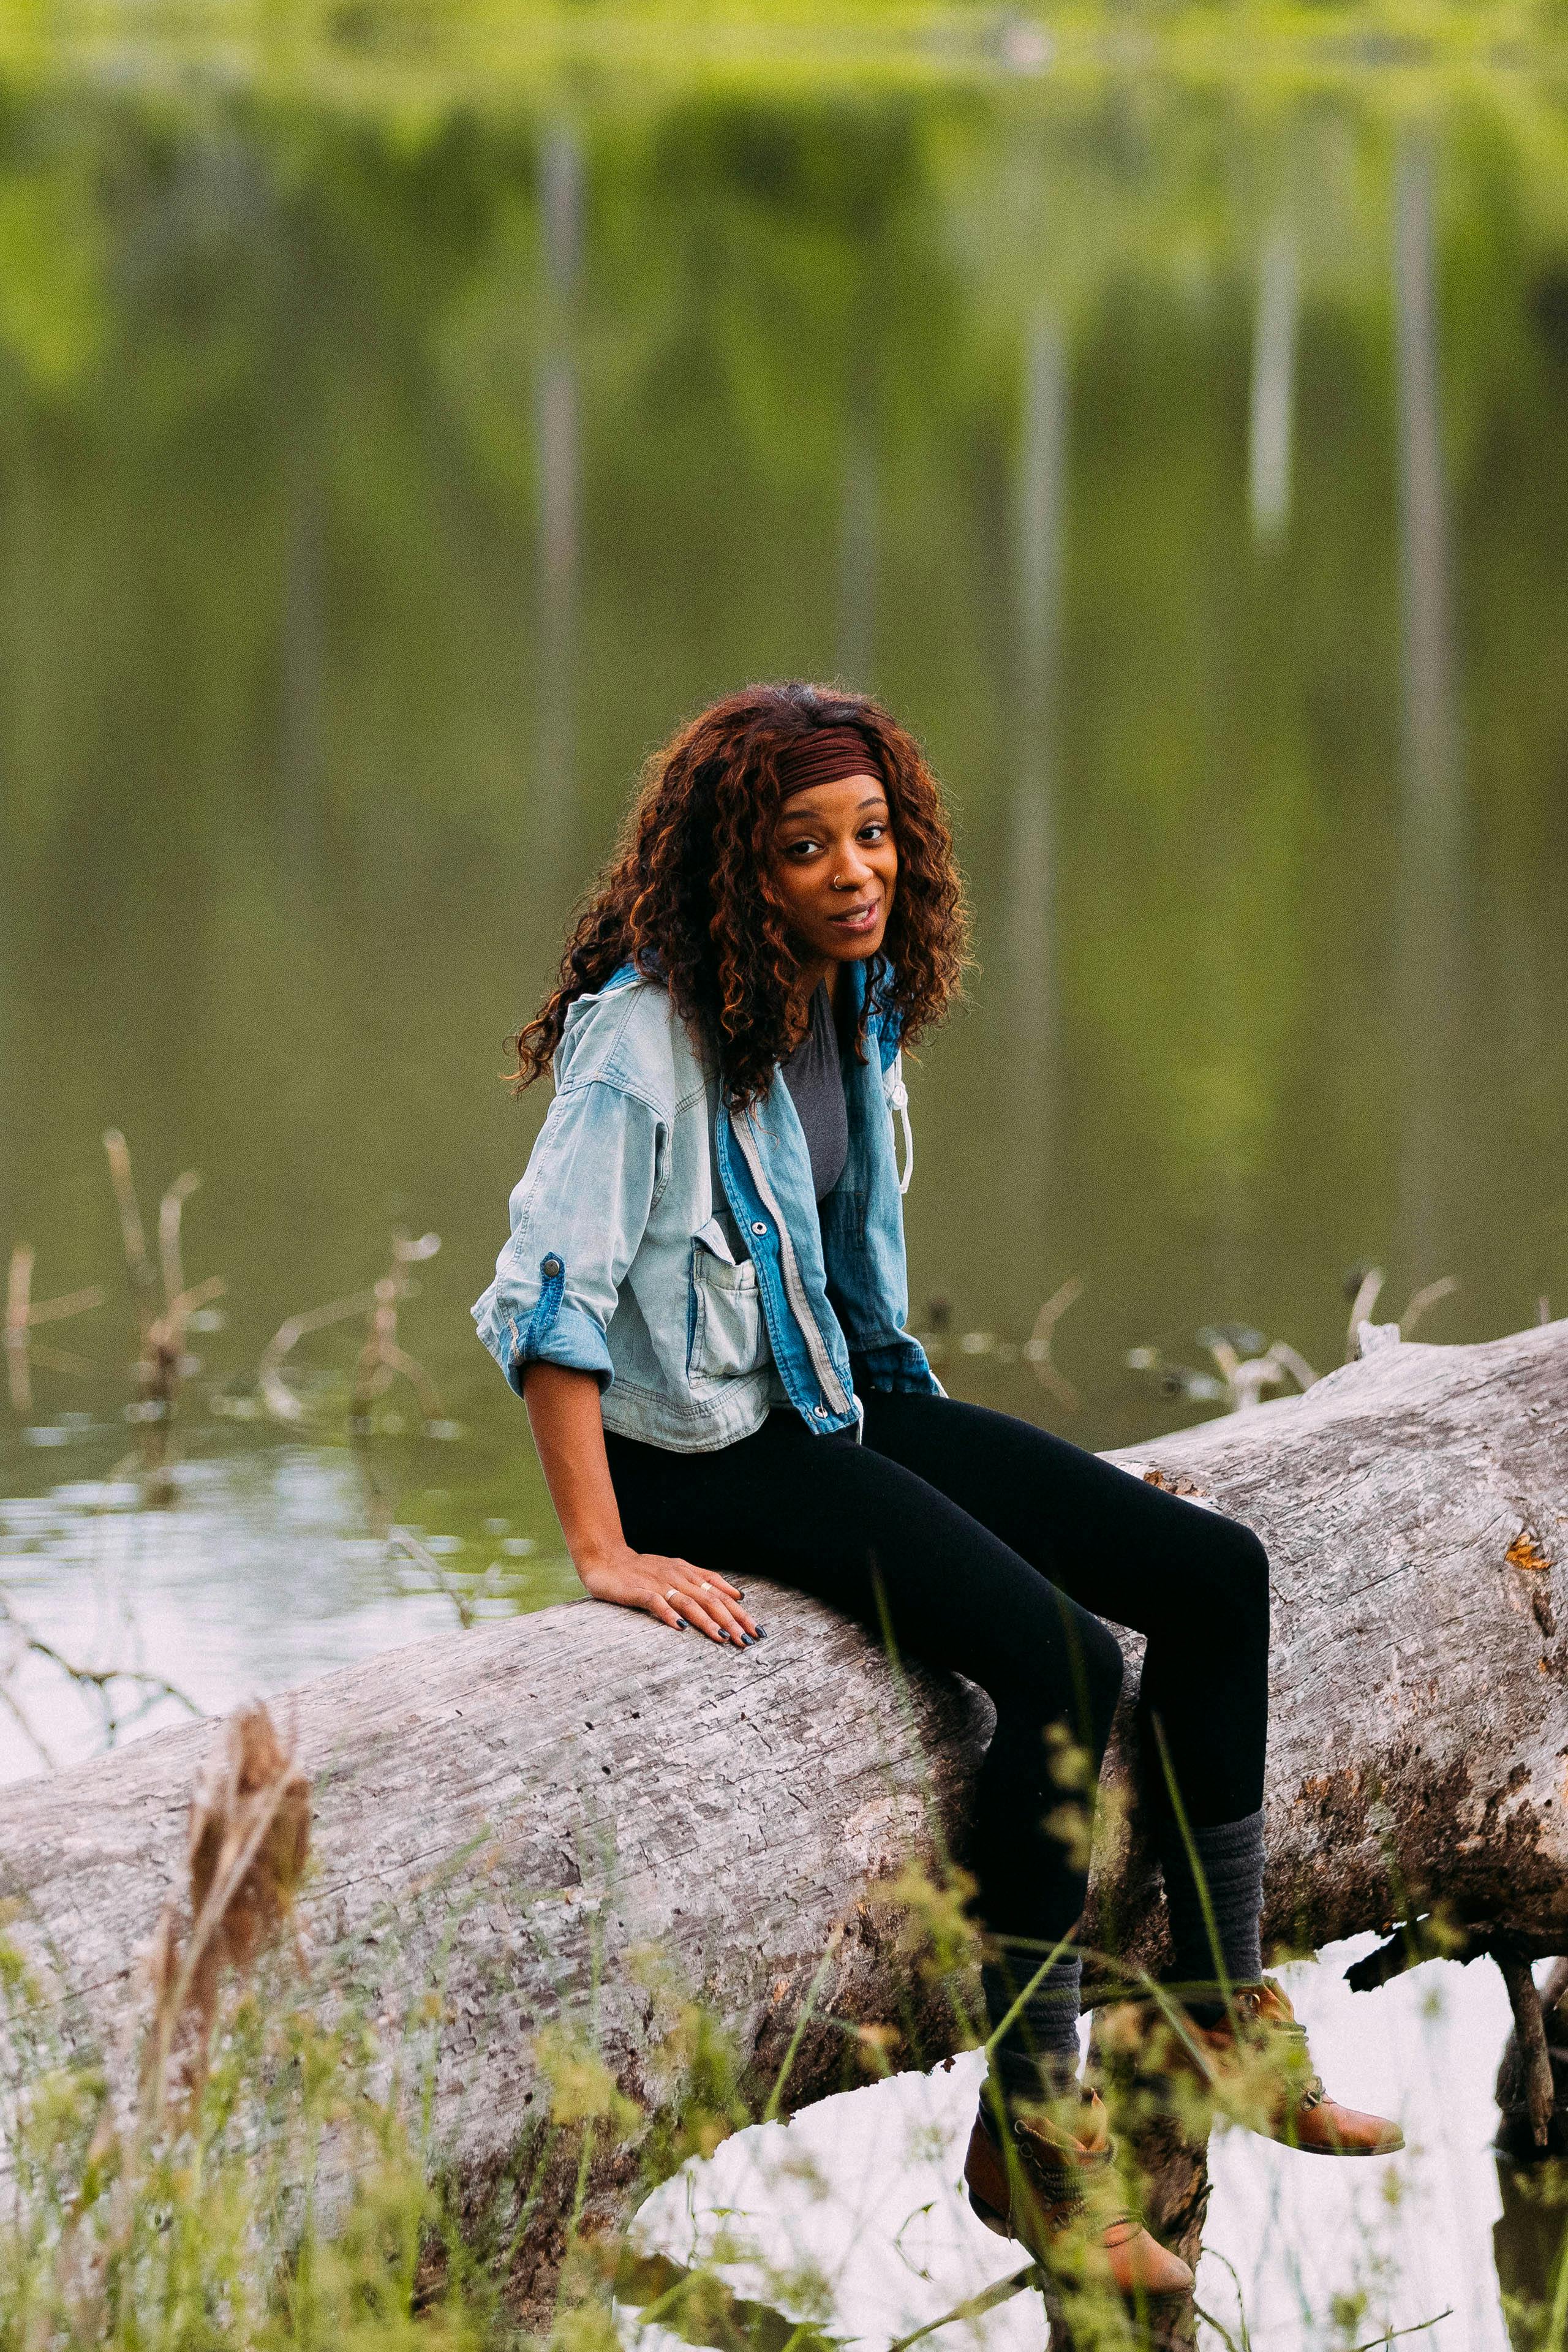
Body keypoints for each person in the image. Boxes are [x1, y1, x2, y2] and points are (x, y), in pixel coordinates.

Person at [473, 680, 1401, 2312]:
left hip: (840, 1398)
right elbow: (551, 1292)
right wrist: (604, 1547)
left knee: (1213, 1576)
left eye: (875, 835)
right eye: (807, 846)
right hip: (706, 1452)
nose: (856, 872)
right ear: (731, 867)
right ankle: (1031, 2143)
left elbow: (830, 1267)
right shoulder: (643, 1036)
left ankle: (1209, 2017)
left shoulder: (854, 996)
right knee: (1059, 1664)